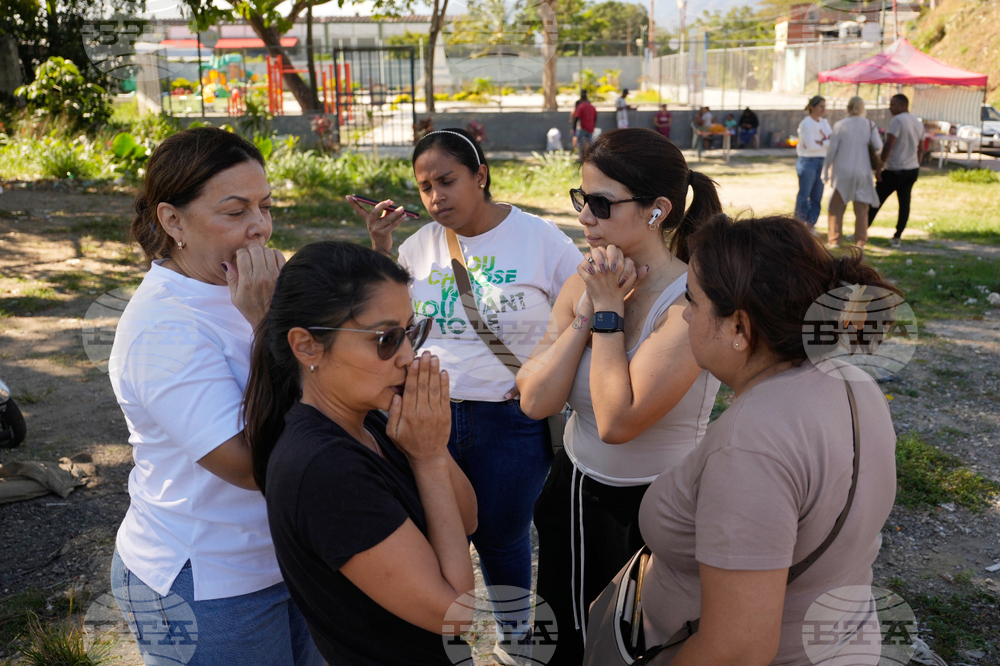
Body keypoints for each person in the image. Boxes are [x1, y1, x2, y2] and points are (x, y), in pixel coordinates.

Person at [348, 128, 582, 664]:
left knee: (502, 538)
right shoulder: (416, 245)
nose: (436, 198)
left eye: (447, 181)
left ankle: (516, 637)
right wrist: (380, 248)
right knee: (432, 535)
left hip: (511, 419)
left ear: (480, 175)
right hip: (427, 414)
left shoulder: (542, 240)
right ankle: (443, 639)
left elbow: (583, 311)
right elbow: (388, 319)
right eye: (425, 187)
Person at [636, 213, 898, 664]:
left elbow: (736, 649)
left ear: (738, 328)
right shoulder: (853, 382)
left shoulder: (751, 445)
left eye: (692, 301)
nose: (684, 313)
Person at [108, 127, 321, 666]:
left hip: (290, 556)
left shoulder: (247, 287)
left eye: (266, 206)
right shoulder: (163, 329)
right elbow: (249, 466)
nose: (260, 228)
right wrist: (271, 328)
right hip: (206, 582)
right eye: (235, 211)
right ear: (172, 220)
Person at [517, 128, 724, 666]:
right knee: (566, 634)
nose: (585, 217)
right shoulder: (584, 283)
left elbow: (618, 421)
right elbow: (535, 401)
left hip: (650, 508)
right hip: (574, 490)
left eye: (602, 204)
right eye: (582, 199)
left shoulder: (689, 303)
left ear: (657, 210)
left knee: (631, 646)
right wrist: (587, 311)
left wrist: (606, 314)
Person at [245, 240, 478, 665]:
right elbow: (455, 614)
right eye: (386, 338)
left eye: (411, 331)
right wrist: (425, 460)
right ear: (307, 346)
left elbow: (467, 519)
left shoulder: (371, 417)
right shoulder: (325, 470)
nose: (409, 356)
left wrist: (434, 448)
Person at [823, 96, 882, 248]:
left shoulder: (840, 125)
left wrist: (825, 170)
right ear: (863, 109)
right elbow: (878, 145)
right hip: (863, 171)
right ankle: (860, 241)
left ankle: (834, 239)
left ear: (848, 108)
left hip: (842, 171)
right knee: (862, 209)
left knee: (836, 207)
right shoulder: (870, 124)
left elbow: (832, 151)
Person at [869, 94, 925, 248]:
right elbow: (921, 148)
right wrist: (916, 165)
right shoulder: (917, 122)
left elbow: (889, 145)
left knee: (875, 199)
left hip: (895, 169)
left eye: (892, 104)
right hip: (911, 169)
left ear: (902, 105)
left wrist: (880, 165)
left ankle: (862, 230)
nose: (890, 108)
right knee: (905, 203)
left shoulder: (897, 120)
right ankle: (897, 236)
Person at [795, 95, 833, 231]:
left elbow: (832, 141)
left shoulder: (824, 123)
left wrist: (822, 142)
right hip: (808, 161)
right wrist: (825, 143)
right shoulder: (806, 123)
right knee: (804, 195)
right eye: (820, 106)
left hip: (822, 161)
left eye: (824, 106)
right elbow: (811, 146)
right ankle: (799, 225)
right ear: (812, 107)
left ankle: (810, 225)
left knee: (817, 195)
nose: (823, 109)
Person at [572, 91, 598, 158]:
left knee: (581, 144)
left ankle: (581, 158)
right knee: (589, 144)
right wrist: (593, 126)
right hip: (590, 128)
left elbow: (577, 117)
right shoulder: (592, 107)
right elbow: (595, 117)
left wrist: (573, 128)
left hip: (582, 128)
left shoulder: (581, 106)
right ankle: (589, 157)